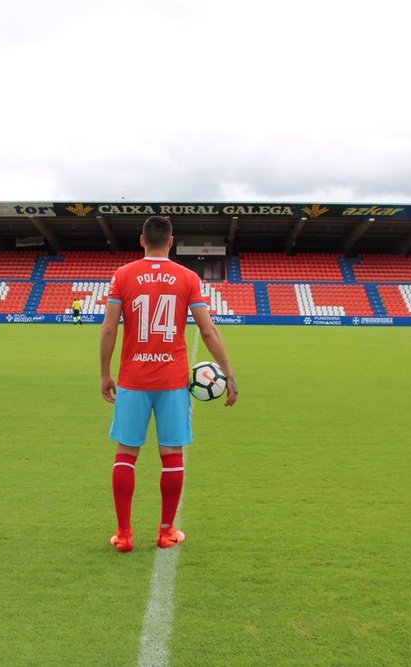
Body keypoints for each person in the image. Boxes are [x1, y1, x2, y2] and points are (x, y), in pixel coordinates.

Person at [100, 216, 238, 553]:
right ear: (171, 242)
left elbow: (108, 329)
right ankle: (165, 532)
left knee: (126, 454)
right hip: (173, 380)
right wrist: (228, 372)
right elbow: (207, 330)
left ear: (141, 240)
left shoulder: (123, 275)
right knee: (171, 455)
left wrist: (105, 373)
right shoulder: (188, 278)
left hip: (133, 379)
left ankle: (125, 534)